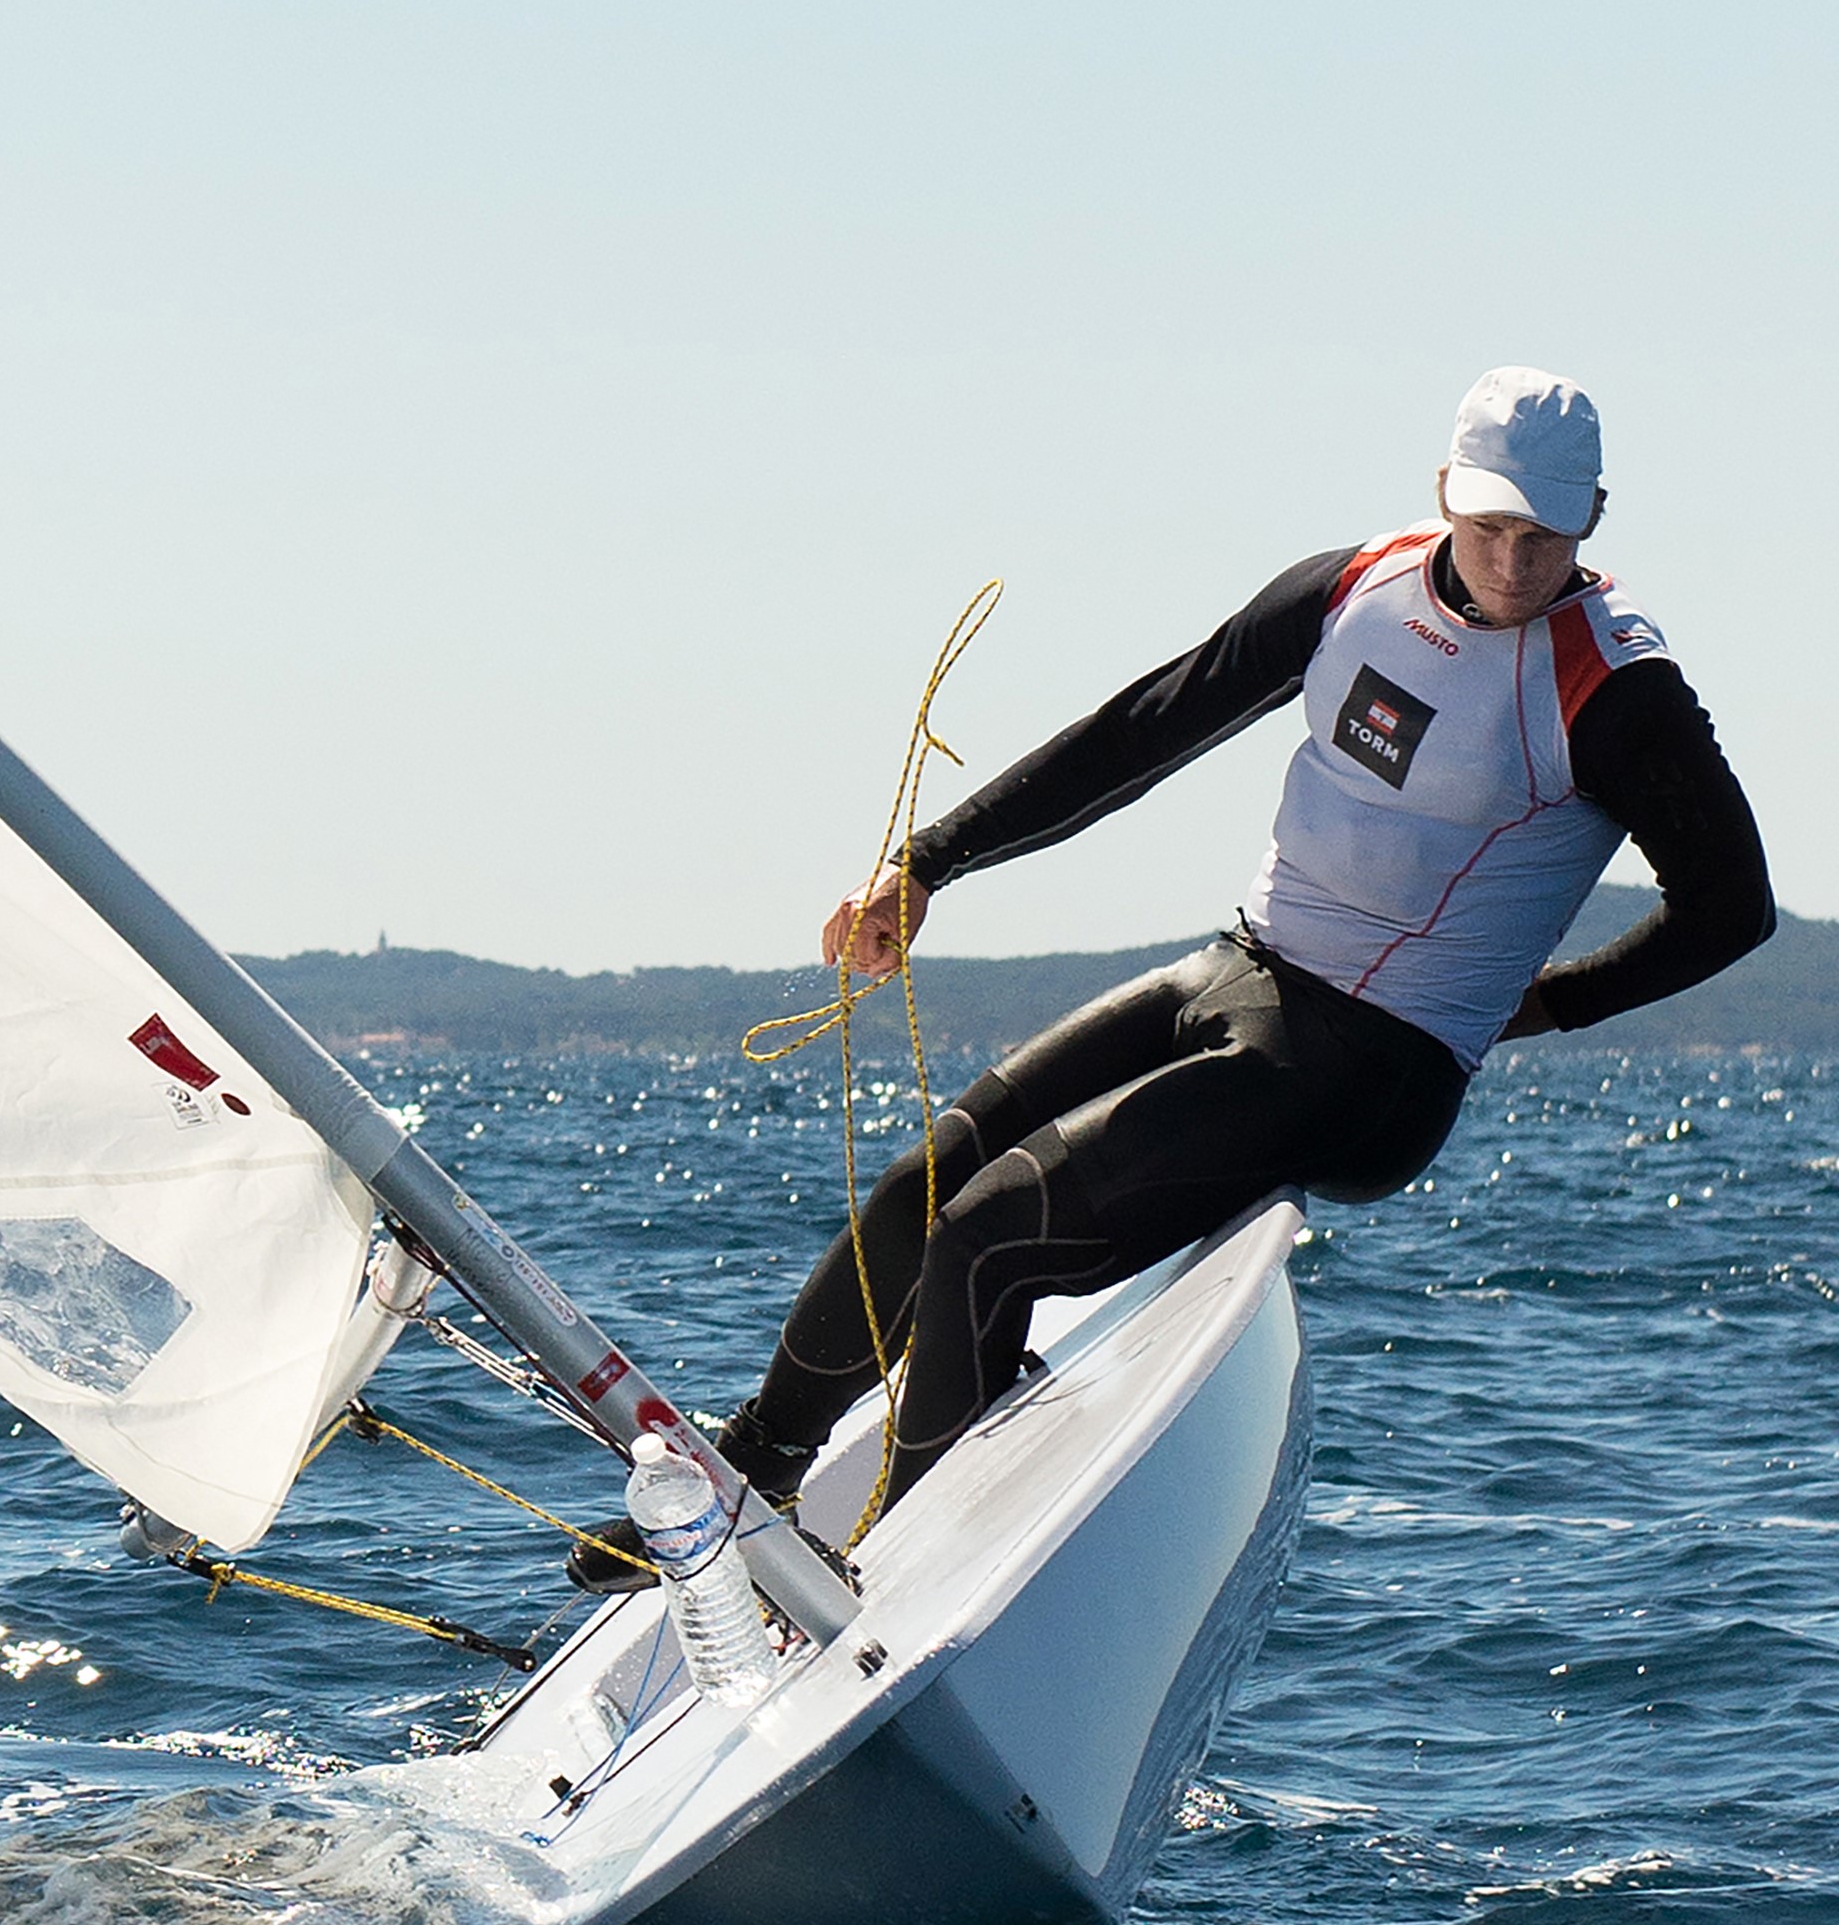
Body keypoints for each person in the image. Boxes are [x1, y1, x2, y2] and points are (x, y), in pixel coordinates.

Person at [573, 366, 1774, 1593]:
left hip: (1373, 1062)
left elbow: (1731, 908)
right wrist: (928, 863)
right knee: (921, 1185)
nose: (1516, 563)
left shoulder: (1616, 690)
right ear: (1441, 498)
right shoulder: (1351, 589)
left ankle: (889, 1586)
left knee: (987, 1238)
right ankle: (755, 1468)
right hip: (1242, 970)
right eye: (1491, 529)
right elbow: (1145, 727)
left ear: (1592, 517)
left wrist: (1551, 998)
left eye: (1545, 535)